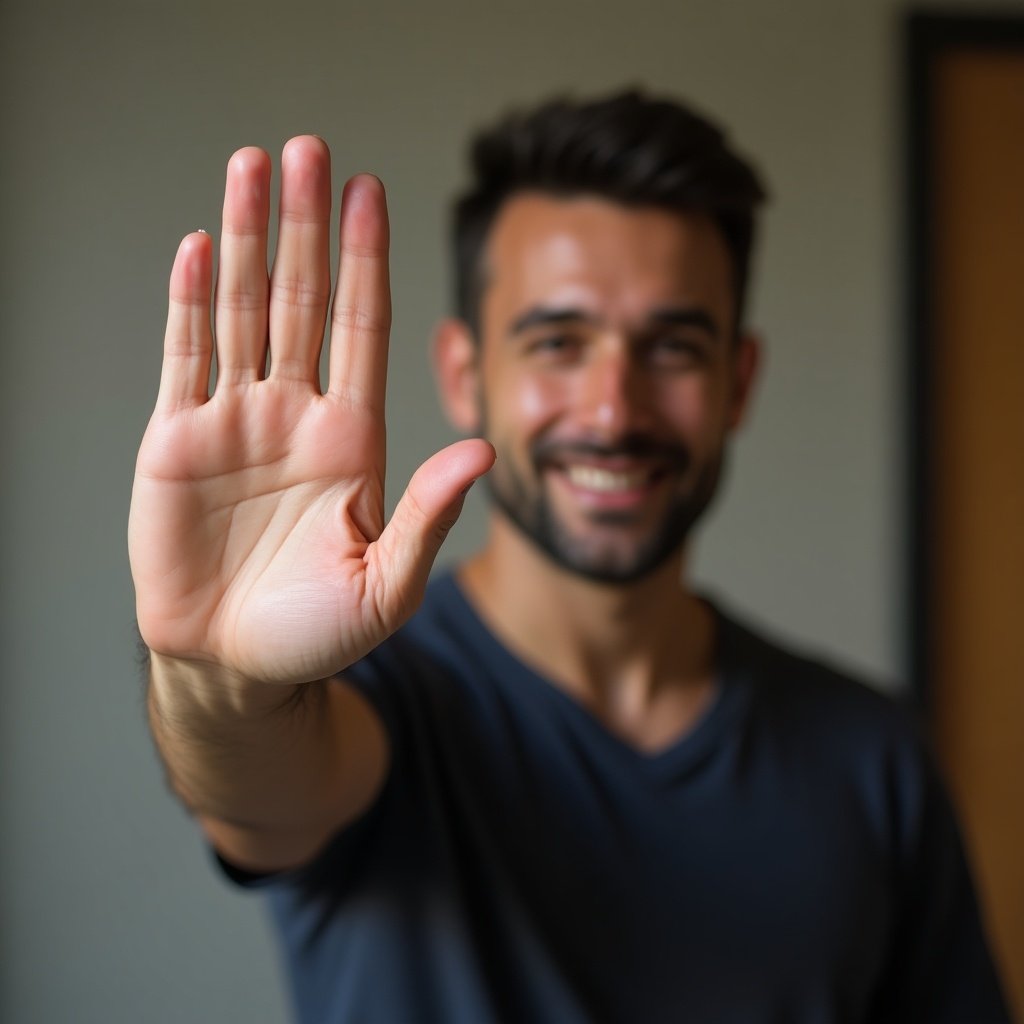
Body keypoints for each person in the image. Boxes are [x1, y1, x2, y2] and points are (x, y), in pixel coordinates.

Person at [129, 91, 1011, 1023]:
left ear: (737, 384)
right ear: (466, 374)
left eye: (672, 346)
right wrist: (215, 673)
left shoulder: (873, 756)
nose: (611, 411)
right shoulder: (374, 702)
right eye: (558, 342)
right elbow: (258, 790)